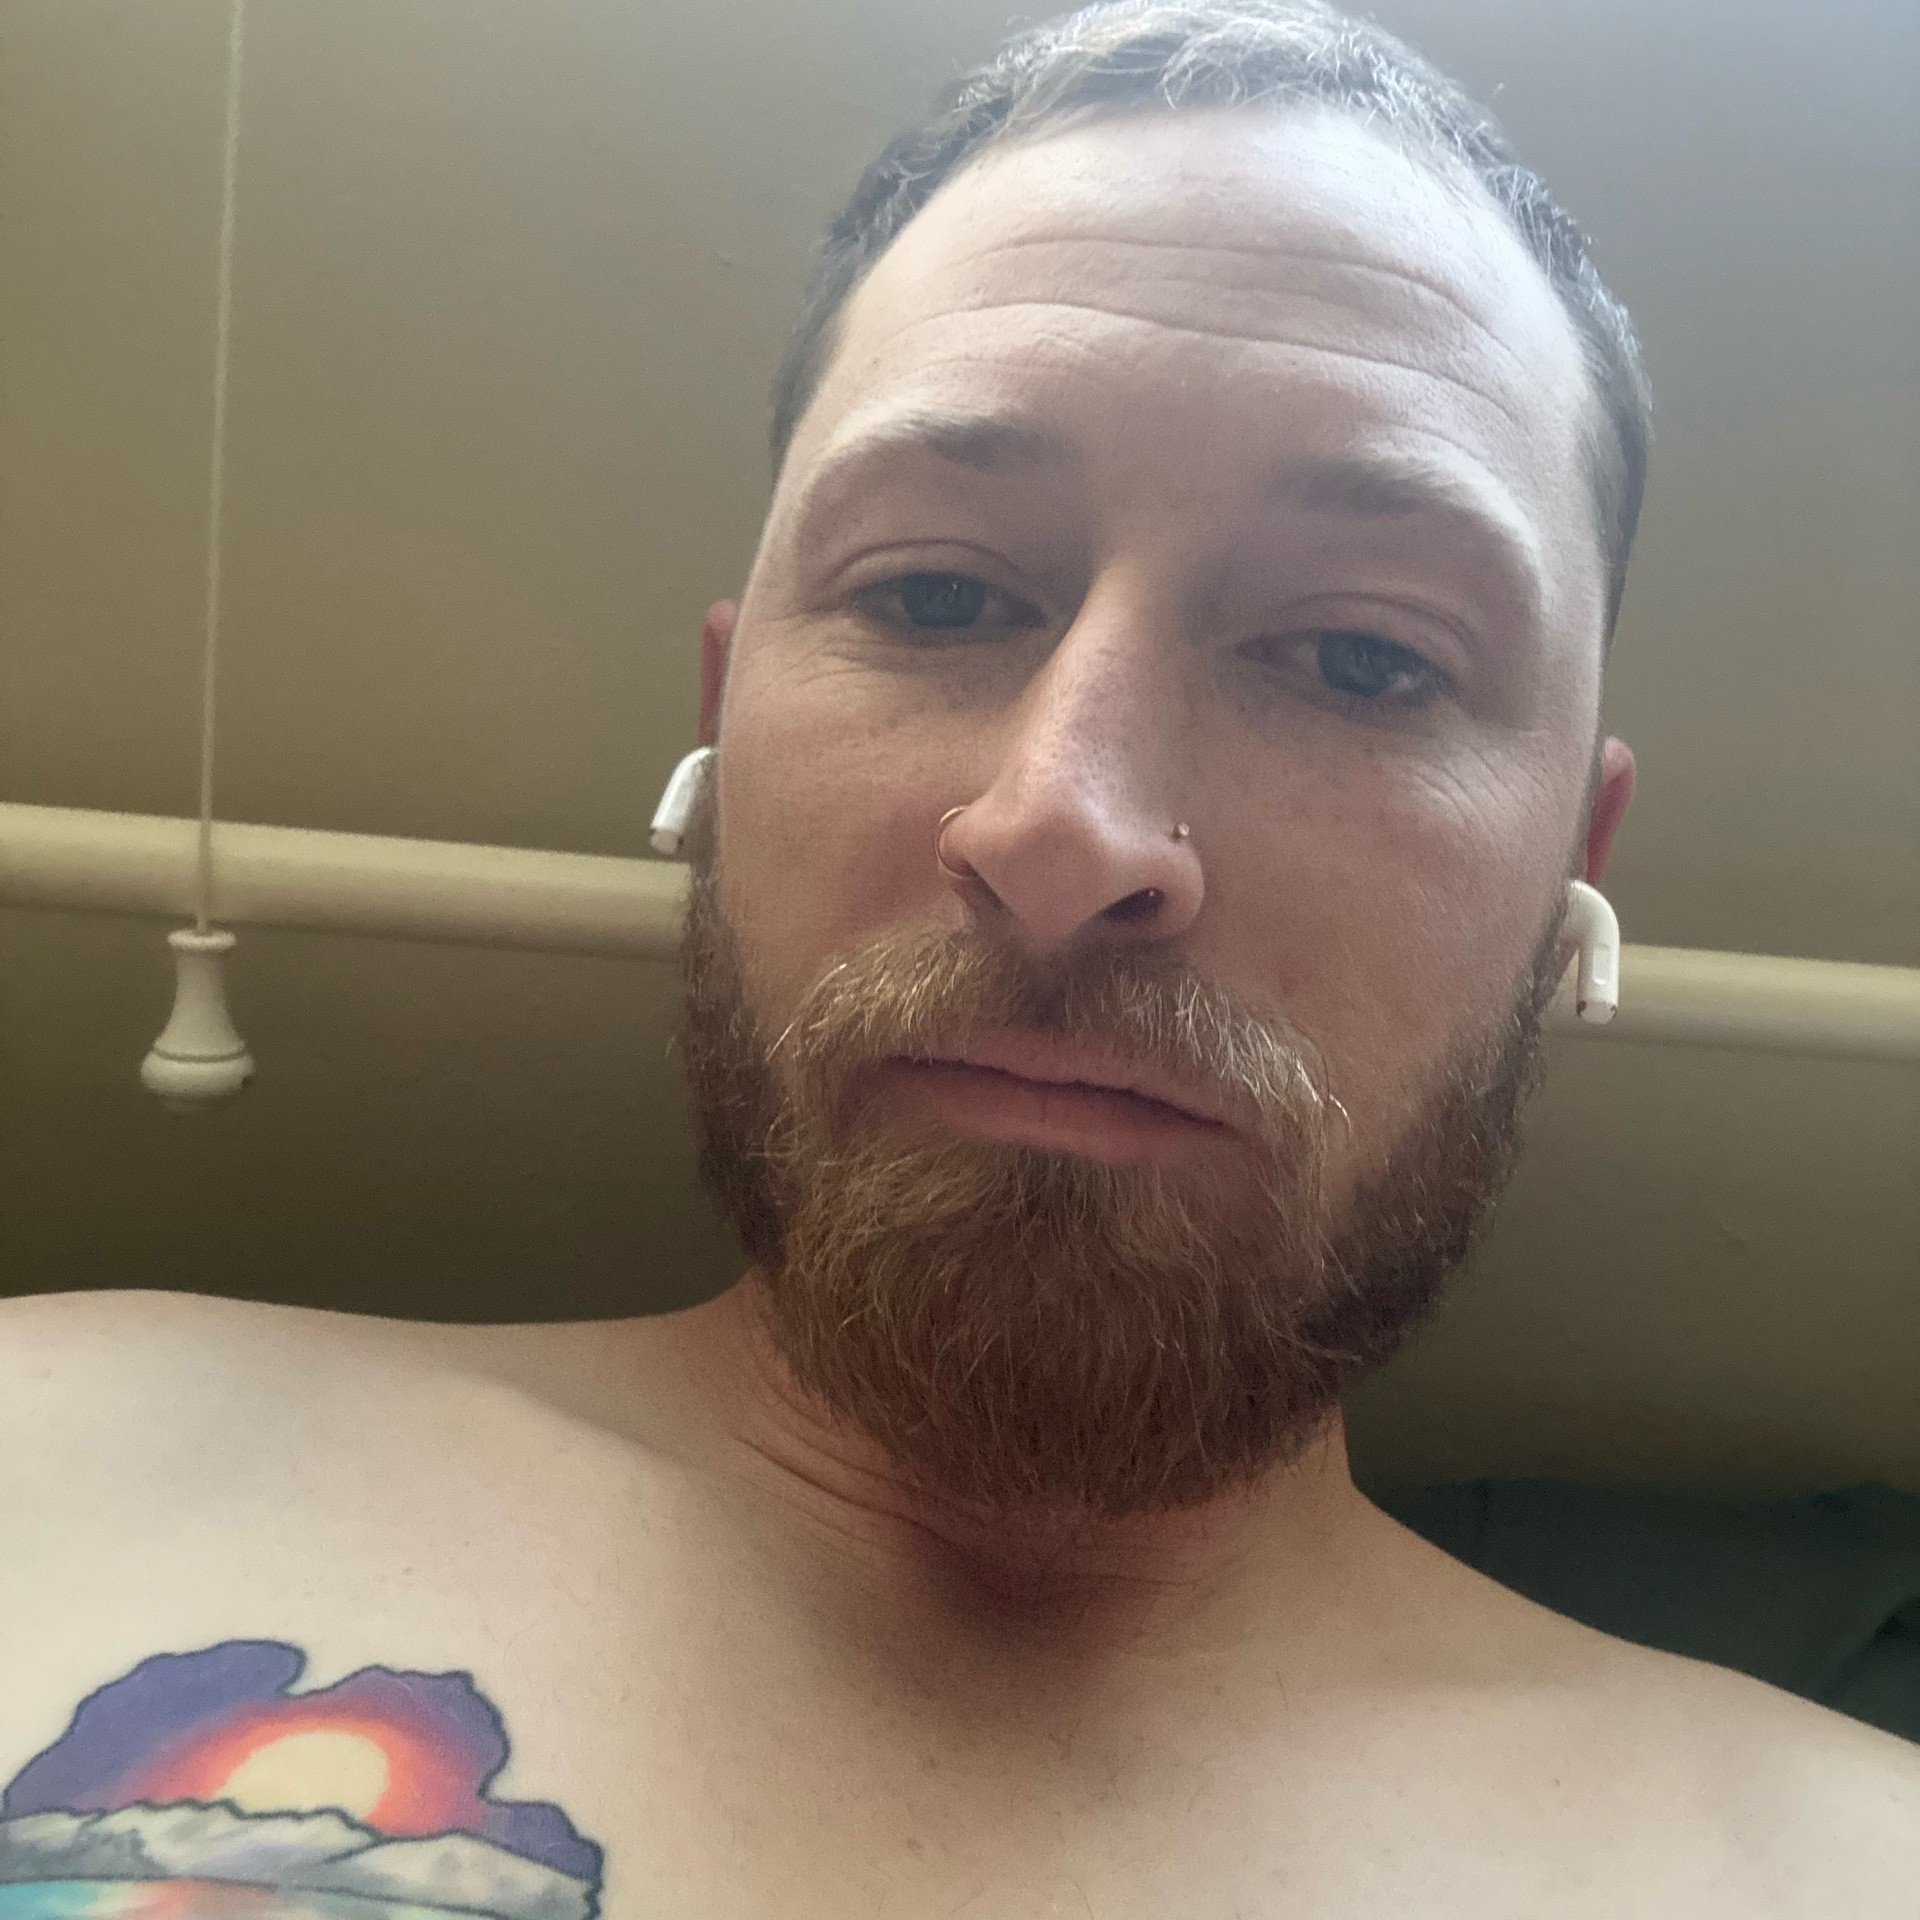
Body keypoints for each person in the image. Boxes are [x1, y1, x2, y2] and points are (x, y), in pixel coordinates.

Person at [1, 3, 1914, 1915]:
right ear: (726, 726)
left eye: (1363, 659)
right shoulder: (47, 1453)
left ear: (1569, 865)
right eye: (934, 593)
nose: (1066, 829)